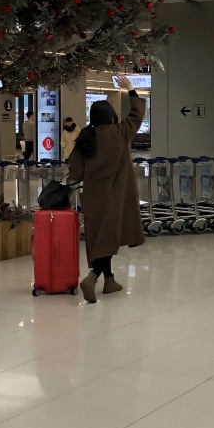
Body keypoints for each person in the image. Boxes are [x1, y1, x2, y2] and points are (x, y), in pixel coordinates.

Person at [66, 74, 145, 303]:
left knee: (100, 236)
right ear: (111, 116)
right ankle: (92, 278)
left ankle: (109, 280)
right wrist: (130, 88)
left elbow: (75, 171)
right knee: (108, 237)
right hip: (115, 194)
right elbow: (137, 114)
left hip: (92, 195)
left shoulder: (85, 137)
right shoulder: (119, 132)